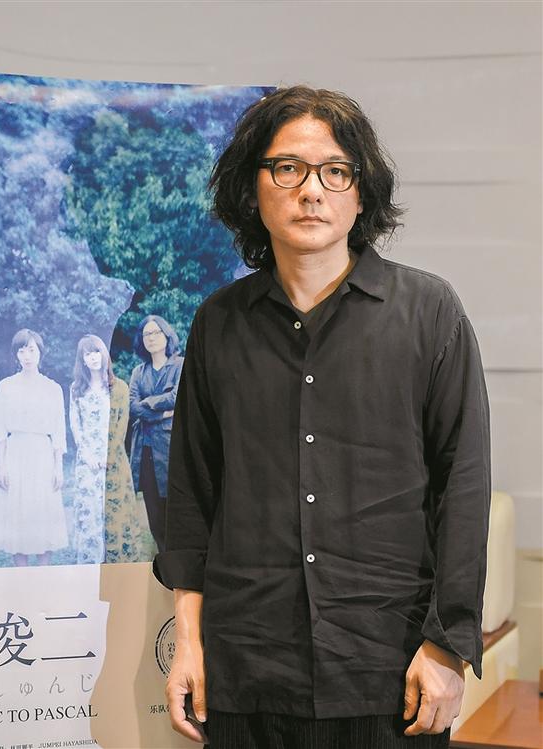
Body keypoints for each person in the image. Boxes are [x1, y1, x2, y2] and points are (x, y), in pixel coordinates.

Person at [154, 86, 491, 748]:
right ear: (253, 188)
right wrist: (188, 645)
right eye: (289, 168)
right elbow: (192, 496)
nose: (312, 191)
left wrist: (448, 647)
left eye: (336, 171)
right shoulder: (218, 322)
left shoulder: (429, 313)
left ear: (361, 194)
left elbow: (464, 487)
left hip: (390, 673)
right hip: (247, 670)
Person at [0, 329, 68, 566]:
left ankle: (43, 574)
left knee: (42, 512)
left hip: (42, 454)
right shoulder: (5, 386)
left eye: (31, 350)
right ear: (16, 355)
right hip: (16, 453)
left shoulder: (52, 388)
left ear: (40, 353)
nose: (27, 356)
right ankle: (22, 576)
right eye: (21, 350)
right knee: (18, 514)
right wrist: (1, 466)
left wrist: (58, 468)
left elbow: (58, 431)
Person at [69, 334, 140, 564]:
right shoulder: (76, 389)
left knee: (114, 513)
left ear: (104, 354)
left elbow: (121, 423)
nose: (93, 357)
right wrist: (87, 455)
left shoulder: (119, 387)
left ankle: (116, 565)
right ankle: (90, 564)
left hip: (113, 460)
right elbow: (76, 424)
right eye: (88, 354)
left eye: (97, 352)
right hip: (87, 462)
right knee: (89, 513)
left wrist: (107, 456)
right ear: (82, 359)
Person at [129, 315, 183, 552]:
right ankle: (163, 560)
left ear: (167, 335)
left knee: (177, 515)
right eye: (146, 334)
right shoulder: (138, 372)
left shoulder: (180, 365)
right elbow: (133, 407)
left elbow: (176, 397)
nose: (151, 338)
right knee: (155, 518)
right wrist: (163, 414)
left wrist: (148, 403)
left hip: (172, 451)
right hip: (146, 451)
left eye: (155, 332)